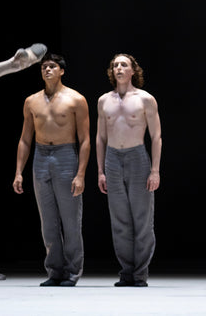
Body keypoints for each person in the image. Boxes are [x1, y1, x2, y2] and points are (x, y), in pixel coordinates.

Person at [13, 53, 90, 286]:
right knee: (48, 220)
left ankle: (72, 272)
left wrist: (81, 174)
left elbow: (85, 139)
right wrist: (18, 171)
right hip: (40, 155)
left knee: (70, 219)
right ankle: (54, 271)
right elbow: (25, 138)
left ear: (61, 71)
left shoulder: (76, 99)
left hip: (66, 155)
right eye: (44, 66)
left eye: (52, 66)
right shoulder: (31, 101)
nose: (47, 70)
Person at [96, 53, 161, 287]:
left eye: (124, 64)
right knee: (119, 219)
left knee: (142, 219)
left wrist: (155, 170)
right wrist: (100, 170)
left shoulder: (145, 99)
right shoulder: (104, 100)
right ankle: (126, 271)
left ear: (133, 70)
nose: (119, 68)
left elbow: (157, 137)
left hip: (137, 156)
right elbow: (100, 137)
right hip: (113, 158)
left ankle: (140, 273)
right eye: (115, 65)